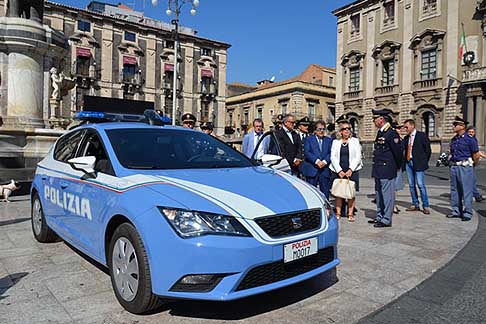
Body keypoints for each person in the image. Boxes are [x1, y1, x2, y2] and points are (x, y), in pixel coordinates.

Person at [369, 109, 403, 228]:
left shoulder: (391, 134)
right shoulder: (381, 133)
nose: (373, 121)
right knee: (379, 195)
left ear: (381, 119)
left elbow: (398, 153)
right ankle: (380, 216)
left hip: (387, 169)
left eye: (375, 119)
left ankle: (387, 219)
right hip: (378, 168)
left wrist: (396, 167)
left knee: (387, 195)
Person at [447, 117, 480, 221]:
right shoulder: (454, 139)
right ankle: (456, 210)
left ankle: (467, 212)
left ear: (462, 126)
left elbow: (476, 155)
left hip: (465, 166)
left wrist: (472, 165)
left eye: (455, 124)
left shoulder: (470, 139)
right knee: (455, 189)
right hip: (454, 166)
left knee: (467, 190)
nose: (453, 126)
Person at [330, 117, 362, 221]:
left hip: (352, 170)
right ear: (340, 131)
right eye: (344, 129)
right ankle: (338, 213)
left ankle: (350, 214)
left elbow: (358, 156)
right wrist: (339, 170)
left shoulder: (355, 141)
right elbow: (333, 157)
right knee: (339, 193)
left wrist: (350, 170)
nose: (347, 130)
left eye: (348, 128)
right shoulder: (335, 142)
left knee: (351, 193)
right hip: (338, 170)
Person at [402, 119, 432, 214]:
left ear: (412, 126)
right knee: (411, 185)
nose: (405, 129)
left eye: (406, 127)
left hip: (419, 163)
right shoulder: (406, 138)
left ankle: (425, 205)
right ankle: (415, 204)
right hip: (408, 162)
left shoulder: (421, 135)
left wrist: (424, 161)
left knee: (420, 185)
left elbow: (428, 150)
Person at [302, 120, 332, 198]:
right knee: (312, 192)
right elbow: (307, 152)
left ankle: (326, 208)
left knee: (325, 192)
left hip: (324, 170)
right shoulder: (309, 139)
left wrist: (325, 161)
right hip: (312, 169)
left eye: (323, 129)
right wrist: (317, 161)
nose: (321, 131)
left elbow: (331, 153)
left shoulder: (328, 140)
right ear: (315, 130)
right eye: (319, 129)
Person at [466, 126, 484, 202]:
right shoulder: (468, 140)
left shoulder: (473, 139)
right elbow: (476, 153)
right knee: (471, 180)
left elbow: (477, 152)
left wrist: (484, 156)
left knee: (472, 179)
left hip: (471, 162)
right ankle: (476, 195)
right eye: (469, 132)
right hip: (468, 162)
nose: (471, 133)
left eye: (472, 132)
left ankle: (475, 194)